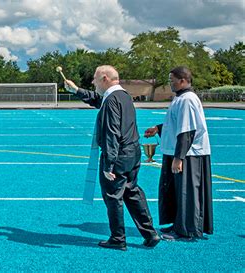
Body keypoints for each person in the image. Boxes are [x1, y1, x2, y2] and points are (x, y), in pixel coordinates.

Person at [65, 65, 160, 251]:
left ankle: (118, 238)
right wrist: (76, 90)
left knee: (113, 196)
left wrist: (108, 165)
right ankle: (150, 233)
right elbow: (98, 100)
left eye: (94, 78)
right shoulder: (123, 96)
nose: (92, 82)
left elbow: (112, 133)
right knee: (131, 191)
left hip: (119, 155)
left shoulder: (111, 101)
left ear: (105, 78)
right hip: (132, 152)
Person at [144, 66, 213, 240]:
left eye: (172, 80)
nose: (170, 84)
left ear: (182, 80)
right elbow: (176, 124)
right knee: (177, 191)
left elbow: (187, 131)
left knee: (186, 192)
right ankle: (178, 224)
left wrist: (178, 157)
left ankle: (187, 230)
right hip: (179, 152)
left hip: (189, 155)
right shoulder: (180, 98)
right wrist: (158, 129)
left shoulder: (187, 99)